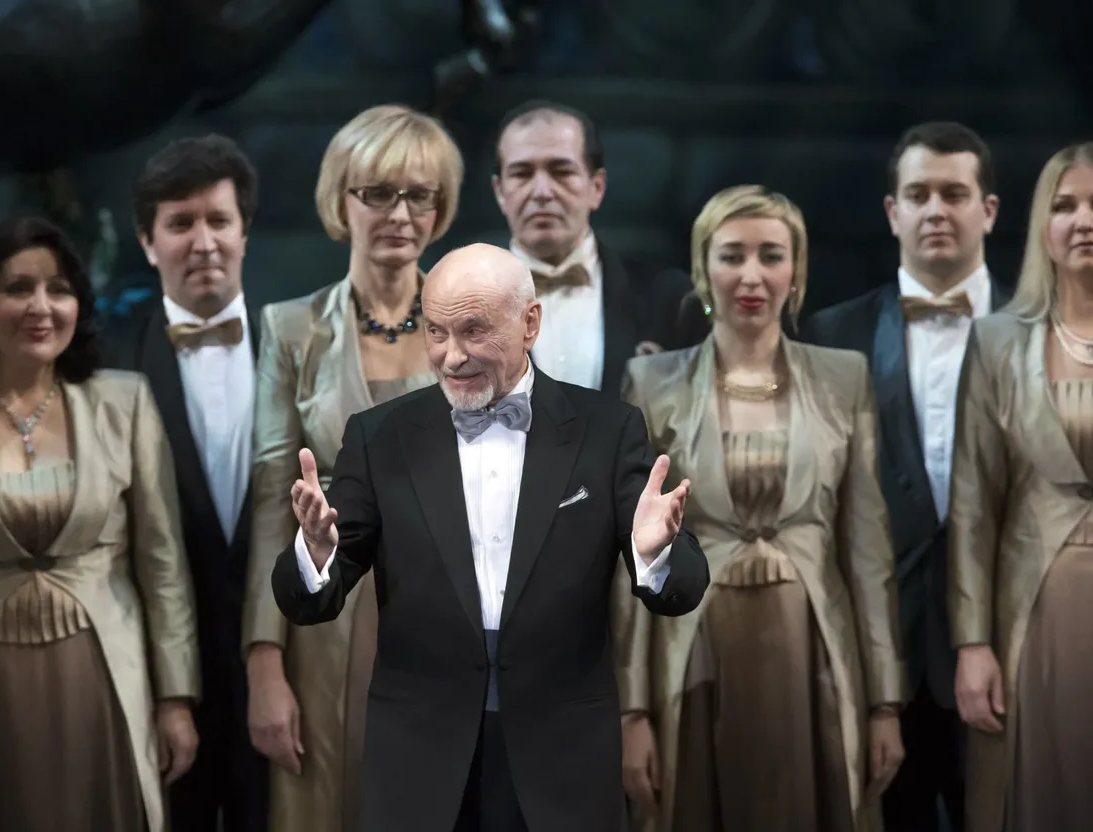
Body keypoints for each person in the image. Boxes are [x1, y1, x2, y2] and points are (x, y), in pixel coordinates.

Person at [269, 243, 709, 832]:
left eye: (473, 330)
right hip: (420, 762)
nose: (451, 357)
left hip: (564, 762)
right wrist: (316, 554)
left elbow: (682, 590)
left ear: (530, 323)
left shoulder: (607, 430)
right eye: (436, 332)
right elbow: (309, 603)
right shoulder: (380, 436)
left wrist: (655, 555)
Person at [0, 216, 199, 832]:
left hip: (104, 682)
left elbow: (163, 565)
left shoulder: (126, 401)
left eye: (58, 289)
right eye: (18, 288)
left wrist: (175, 698)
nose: (41, 307)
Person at [617, 186, 905, 832]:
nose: (751, 275)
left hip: (815, 652)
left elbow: (868, 551)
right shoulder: (651, 383)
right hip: (693, 650)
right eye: (732, 255)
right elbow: (633, 559)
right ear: (703, 269)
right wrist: (632, 711)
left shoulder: (844, 377)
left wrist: (885, 702)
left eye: (771, 255)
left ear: (795, 271)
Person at [244, 104, 463, 832]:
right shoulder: (291, 330)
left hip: (450, 617)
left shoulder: (475, 325)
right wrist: (264, 664)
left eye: (419, 195)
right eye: (378, 192)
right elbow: (272, 502)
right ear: (342, 200)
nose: (400, 213)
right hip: (324, 617)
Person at [801, 121, 1008, 832]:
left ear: (989, 210)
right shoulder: (830, 335)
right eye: (918, 195)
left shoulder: (1040, 331)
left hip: (1017, 641)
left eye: (955, 193)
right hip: (881, 653)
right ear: (893, 212)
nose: (935, 210)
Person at [103, 133, 269, 832]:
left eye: (218, 220)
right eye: (180, 224)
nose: (203, 242)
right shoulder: (108, 367)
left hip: (285, 679)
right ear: (148, 242)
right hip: (160, 686)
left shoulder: (301, 346)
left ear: (244, 231)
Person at [949, 141, 1093, 832]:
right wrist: (972, 644)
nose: (1084, 221)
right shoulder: (998, 342)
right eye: (1065, 205)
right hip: (1034, 610)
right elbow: (973, 507)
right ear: (1042, 225)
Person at [492, 99, 703, 390]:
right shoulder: (454, 303)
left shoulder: (670, 297)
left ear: (597, 187)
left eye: (562, 171)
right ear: (500, 192)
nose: (542, 192)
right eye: (522, 174)